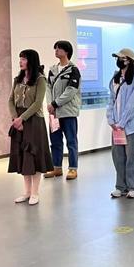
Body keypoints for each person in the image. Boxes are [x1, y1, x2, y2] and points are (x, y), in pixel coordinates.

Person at [8, 49, 53, 205]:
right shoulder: (17, 79)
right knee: (22, 155)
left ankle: (35, 192)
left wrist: (22, 118)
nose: (20, 61)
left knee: (33, 155)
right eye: (20, 58)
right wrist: (15, 118)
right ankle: (26, 192)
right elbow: (10, 100)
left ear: (31, 61)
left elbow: (38, 103)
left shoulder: (40, 79)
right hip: (18, 120)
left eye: (24, 59)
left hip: (34, 121)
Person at [107, 48, 134, 198]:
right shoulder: (115, 78)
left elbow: (133, 103)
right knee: (118, 156)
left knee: (131, 157)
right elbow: (111, 100)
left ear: (128, 60)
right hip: (117, 127)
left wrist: (122, 122)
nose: (118, 60)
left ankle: (133, 186)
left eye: (121, 58)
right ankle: (120, 186)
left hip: (131, 126)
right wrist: (111, 119)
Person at [45, 40, 82, 180]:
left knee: (71, 141)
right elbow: (48, 88)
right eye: (55, 48)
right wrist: (50, 104)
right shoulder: (52, 70)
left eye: (59, 48)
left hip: (68, 112)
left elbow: (71, 91)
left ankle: (73, 168)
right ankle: (56, 167)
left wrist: (55, 103)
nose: (56, 50)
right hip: (54, 113)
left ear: (67, 51)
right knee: (55, 141)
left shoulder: (73, 70)